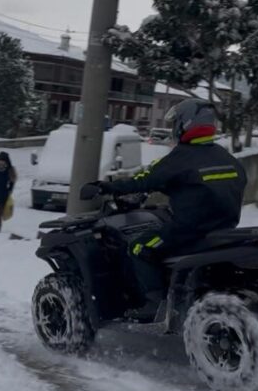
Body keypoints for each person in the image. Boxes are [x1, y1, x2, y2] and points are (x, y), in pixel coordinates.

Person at [96, 98, 247, 317]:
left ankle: (153, 305)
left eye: (175, 122)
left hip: (188, 232)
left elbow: (143, 179)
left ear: (185, 124)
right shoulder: (227, 157)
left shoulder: (179, 158)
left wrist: (107, 186)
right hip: (223, 230)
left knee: (139, 248)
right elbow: (205, 188)